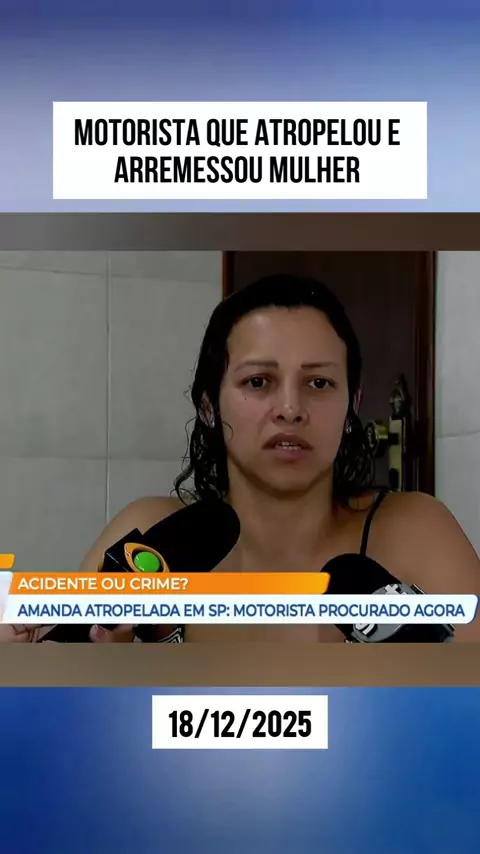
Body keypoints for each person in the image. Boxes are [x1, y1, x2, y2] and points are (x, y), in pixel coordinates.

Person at [3, 274, 480, 643]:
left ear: (352, 405)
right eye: (258, 382)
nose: (290, 409)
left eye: (318, 383)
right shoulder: (150, 537)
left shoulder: (415, 533)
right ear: (209, 405)